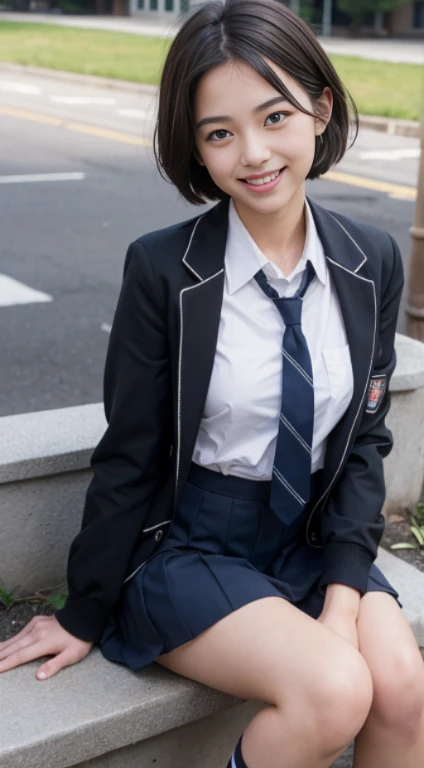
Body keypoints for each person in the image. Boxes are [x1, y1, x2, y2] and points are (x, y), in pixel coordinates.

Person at [1, 0, 424, 766]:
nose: (253, 153)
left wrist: (340, 599)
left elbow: (362, 440)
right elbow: (131, 451)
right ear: (195, 149)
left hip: (312, 536)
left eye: (274, 117)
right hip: (191, 542)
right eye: (219, 133)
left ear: (320, 110)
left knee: (401, 684)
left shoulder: (369, 261)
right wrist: (84, 608)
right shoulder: (166, 270)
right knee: (335, 690)